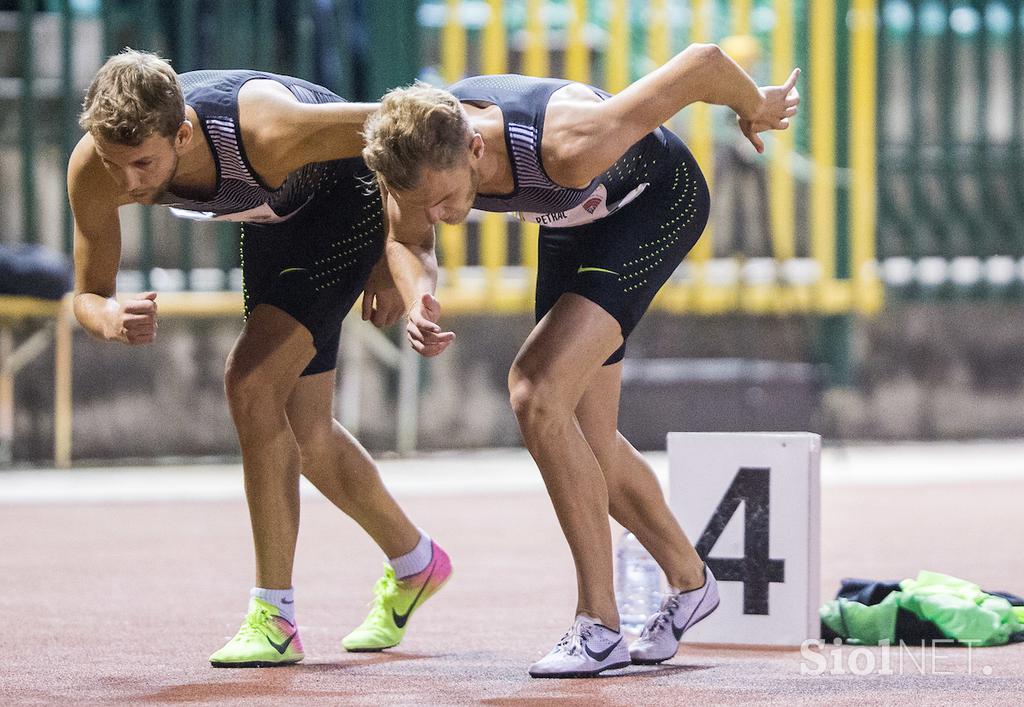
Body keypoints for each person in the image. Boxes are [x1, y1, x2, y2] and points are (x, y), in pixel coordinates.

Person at [362, 46, 799, 677]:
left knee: (535, 391)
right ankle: (689, 579)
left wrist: (755, 106)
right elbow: (406, 237)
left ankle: (599, 624)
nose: (439, 215)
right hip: (572, 218)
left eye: (447, 199)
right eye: (424, 203)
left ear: (477, 151)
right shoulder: (418, 158)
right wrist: (416, 298)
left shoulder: (569, 142)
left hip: (653, 202)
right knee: (588, 439)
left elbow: (702, 63)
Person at [69, 50, 452, 668]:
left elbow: (403, 131)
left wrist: (395, 252)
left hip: (347, 201)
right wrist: (108, 318)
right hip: (275, 223)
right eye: (116, 165)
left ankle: (273, 616)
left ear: (184, 133)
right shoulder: (96, 166)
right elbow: (87, 292)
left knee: (249, 384)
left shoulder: (267, 129)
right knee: (307, 435)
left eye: (143, 164)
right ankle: (416, 561)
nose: (130, 184)